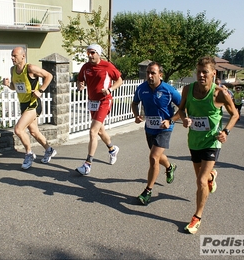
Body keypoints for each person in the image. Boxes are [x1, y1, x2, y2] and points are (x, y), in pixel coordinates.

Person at [177, 56, 239, 234]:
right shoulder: (187, 90)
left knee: (200, 181)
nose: (201, 75)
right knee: (202, 178)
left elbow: (234, 115)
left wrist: (226, 131)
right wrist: (184, 119)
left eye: (205, 72)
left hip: (212, 141)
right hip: (194, 141)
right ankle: (211, 175)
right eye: (198, 72)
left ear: (213, 73)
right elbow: (181, 109)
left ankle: (197, 216)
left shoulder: (219, 93)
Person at [131, 62, 181, 205]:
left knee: (153, 157)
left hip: (164, 128)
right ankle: (170, 166)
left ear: (160, 74)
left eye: (153, 73)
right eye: (148, 73)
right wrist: (136, 115)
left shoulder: (169, 90)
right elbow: (134, 103)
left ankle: (148, 191)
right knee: (157, 156)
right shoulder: (141, 89)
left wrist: (170, 120)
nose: (150, 76)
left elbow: (182, 108)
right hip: (150, 128)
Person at [3, 46, 56, 169]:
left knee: (18, 129)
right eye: (12, 55)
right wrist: (8, 85)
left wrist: (40, 90)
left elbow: (49, 76)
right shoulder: (13, 70)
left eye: (14, 56)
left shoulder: (31, 68)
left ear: (23, 56)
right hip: (24, 105)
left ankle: (29, 154)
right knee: (34, 131)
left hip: (33, 104)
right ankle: (49, 150)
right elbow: (15, 86)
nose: (12, 58)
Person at [75, 44, 123, 175]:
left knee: (93, 131)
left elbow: (119, 80)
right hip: (92, 102)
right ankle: (112, 149)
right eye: (88, 53)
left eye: (92, 53)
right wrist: (80, 86)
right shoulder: (85, 67)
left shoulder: (107, 66)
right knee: (100, 131)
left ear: (98, 53)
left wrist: (109, 90)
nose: (90, 55)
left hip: (104, 101)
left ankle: (87, 164)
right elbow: (79, 80)